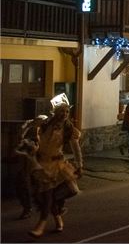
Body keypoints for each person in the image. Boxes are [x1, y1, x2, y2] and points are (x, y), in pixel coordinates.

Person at [27, 94, 83, 238]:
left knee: (71, 190)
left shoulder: (69, 128)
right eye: (61, 111)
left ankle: (57, 214)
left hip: (58, 164)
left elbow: (76, 148)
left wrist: (79, 164)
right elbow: (36, 141)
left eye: (66, 112)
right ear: (55, 112)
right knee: (47, 196)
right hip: (43, 165)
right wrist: (33, 148)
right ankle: (41, 225)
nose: (64, 114)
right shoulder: (45, 124)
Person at [14, 115, 48, 220]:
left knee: (40, 188)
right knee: (24, 187)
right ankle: (27, 208)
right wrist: (29, 125)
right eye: (40, 121)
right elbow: (19, 140)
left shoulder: (44, 134)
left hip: (38, 166)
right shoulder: (28, 138)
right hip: (26, 167)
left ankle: (47, 207)